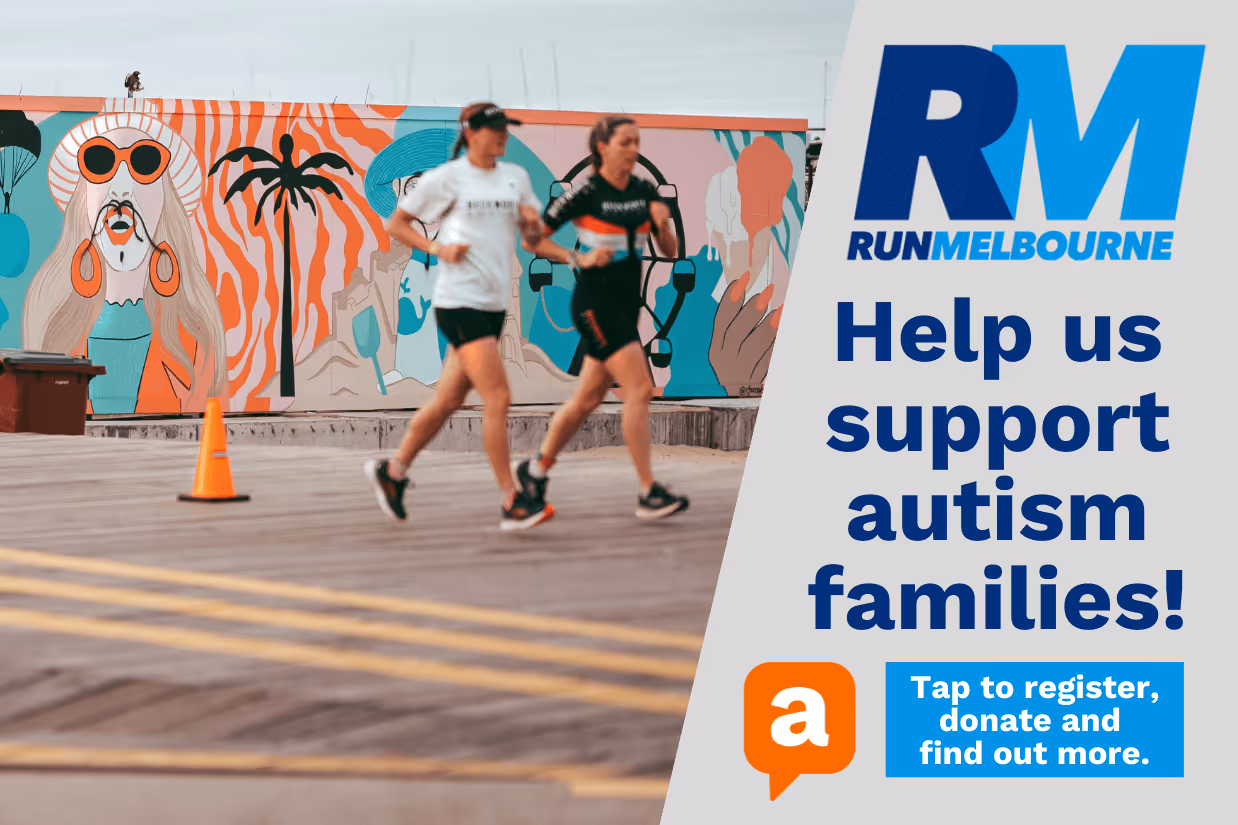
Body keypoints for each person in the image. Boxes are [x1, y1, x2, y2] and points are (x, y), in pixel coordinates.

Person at [365, 103, 553, 531]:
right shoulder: (446, 178)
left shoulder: (515, 178)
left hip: (492, 305)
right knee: (498, 398)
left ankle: (392, 473)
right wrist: (437, 249)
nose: (503, 135)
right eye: (494, 129)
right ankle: (512, 500)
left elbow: (532, 240)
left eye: (506, 128)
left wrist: (533, 226)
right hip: (458, 302)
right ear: (471, 133)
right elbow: (398, 223)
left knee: (448, 400)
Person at [516, 115, 690, 520]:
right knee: (640, 388)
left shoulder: (645, 190)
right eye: (625, 142)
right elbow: (532, 240)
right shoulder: (585, 193)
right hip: (594, 304)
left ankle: (536, 469)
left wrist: (663, 226)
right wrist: (577, 257)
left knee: (587, 399)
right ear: (602, 147)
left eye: (636, 142)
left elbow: (668, 250)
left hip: (627, 306)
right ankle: (649, 491)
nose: (633, 148)